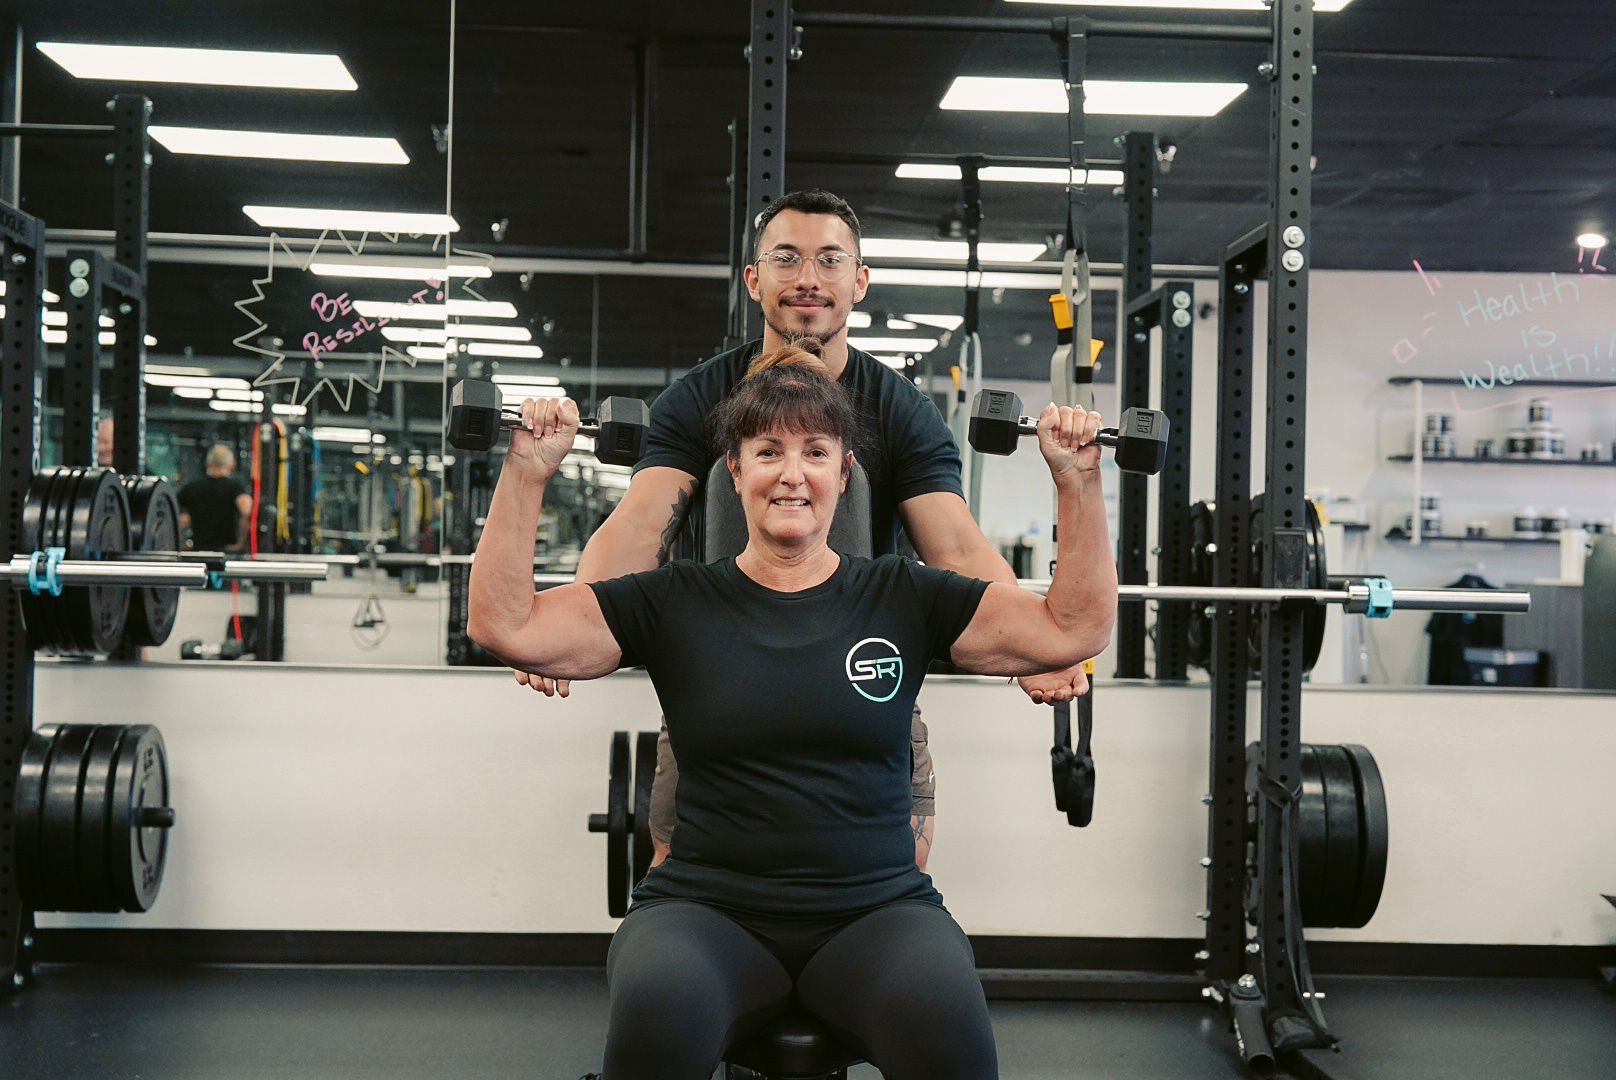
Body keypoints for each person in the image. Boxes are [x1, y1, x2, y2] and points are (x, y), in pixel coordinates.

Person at [468, 351, 1115, 1080]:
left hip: (877, 911)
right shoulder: (673, 600)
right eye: (768, 451)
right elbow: (506, 625)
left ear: (844, 474)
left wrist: (1079, 481)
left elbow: (1073, 629)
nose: (792, 474)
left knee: (949, 1027)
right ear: (734, 472)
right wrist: (525, 471)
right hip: (704, 911)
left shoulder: (906, 595)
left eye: (815, 452)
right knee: (657, 1014)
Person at [512, 188, 1091, 872]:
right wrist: (565, 623)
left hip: (866, 686)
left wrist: (1039, 638)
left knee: (884, 903)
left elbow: (956, 544)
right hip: (715, 683)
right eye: (786, 259)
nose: (808, 279)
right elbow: (642, 521)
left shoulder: (900, 411)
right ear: (754, 280)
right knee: (688, 895)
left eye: (829, 261)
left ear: (860, 280)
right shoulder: (699, 399)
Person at [178, 444, 252, 551]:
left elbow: (175, 518)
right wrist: (240, 543)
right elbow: (246, 511)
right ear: (232, 465)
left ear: (207, 464)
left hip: (198, 551)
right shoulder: (236, 488)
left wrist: (182, 543)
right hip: (227, 552)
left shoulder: (191, 487)